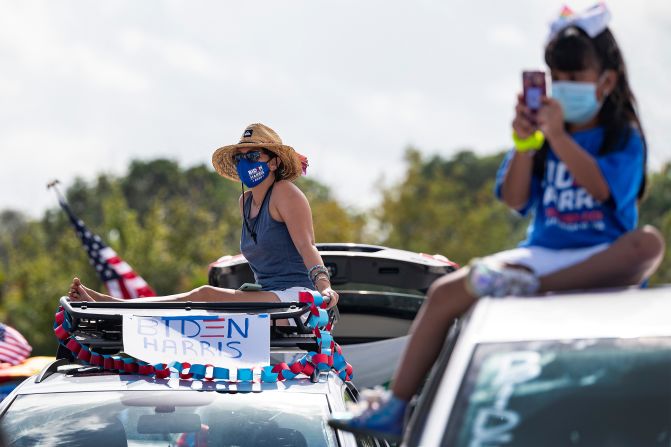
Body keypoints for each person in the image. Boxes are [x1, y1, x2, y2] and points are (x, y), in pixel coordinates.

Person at [329, 3, 665, 440]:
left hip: (601, 258)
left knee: (649, 244)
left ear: (606, 81)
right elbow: (514, 197)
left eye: (574, 78)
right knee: (446, 291)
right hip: (542, 254)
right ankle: (395, 406)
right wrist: (526, 142)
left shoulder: (624, 137)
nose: (563, 88)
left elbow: (604, 190)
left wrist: (560, 138)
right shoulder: (541, 138)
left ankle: (535, 289)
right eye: (556, 78)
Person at [68, 123, 339, 309]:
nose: (245, 162)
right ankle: (127, 310)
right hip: (267, 299)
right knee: (202, 306)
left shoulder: (285, 193)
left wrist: (325, 288)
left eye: (253, 155)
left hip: (297, 300)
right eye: (239, 158)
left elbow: (308, 247)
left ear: (274, 161)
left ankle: (121, 307)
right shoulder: (244, 202)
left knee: (205, 295)